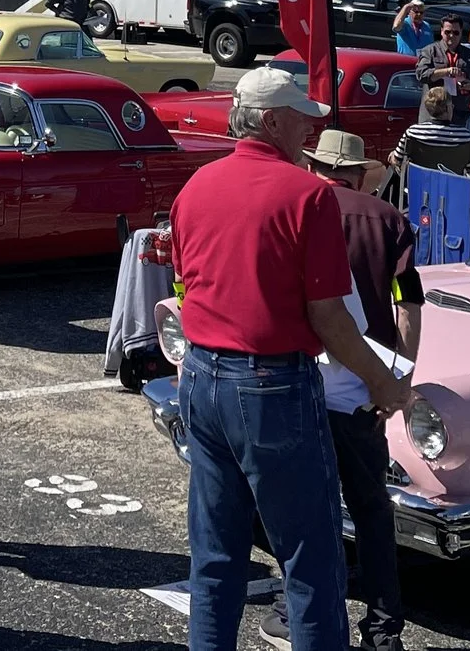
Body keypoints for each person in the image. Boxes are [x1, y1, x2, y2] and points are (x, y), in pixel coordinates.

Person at [170, 66, 410, 651]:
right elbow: (329, 318)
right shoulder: (307, 195)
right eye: (301, 116)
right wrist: (384, 382)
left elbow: (185, 282)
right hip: (270, 382)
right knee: (311, 559)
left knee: (216, 554)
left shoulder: (197, 186)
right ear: (271, 121)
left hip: (202, 375)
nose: (310, 127)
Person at [259, 126, 422, 651]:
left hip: (298, 381)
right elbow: (408, 307)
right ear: (357, 174)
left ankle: (294, 612)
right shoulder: (389, 220)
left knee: (305, 510)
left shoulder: (293, 208)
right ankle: (383, 629)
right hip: (363, 390)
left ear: (315, 167)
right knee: (372, 511)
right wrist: (398, 380)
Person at [396, 78, 470, 176]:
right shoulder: (465, 136)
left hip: (421, 183)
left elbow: (398, 159)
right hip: (452, 183)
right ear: (448, 108)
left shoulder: (412, 132)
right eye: (451, 106)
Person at [413, 17, 470, 98]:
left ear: (461, 32)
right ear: (441, 31)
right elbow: (421, 75)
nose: (451, 35)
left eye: (456, 32)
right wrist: (446, 71)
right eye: (447, 32)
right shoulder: (429, 51)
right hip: (434, 104)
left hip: (460, 104)